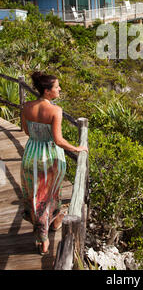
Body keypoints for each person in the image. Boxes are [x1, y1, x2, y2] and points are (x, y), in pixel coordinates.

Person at [20, 71, 88, 256]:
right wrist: (76, 148)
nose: (59, 89)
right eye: (57, 87)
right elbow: (58, 140)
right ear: (47, 91)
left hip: (30, 155)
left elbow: (26, 131)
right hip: (49, 157)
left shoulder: (26, 106)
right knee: (47, 196)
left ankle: (53, 222)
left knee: (35, 197)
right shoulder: (55, 111)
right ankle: (43, 239)